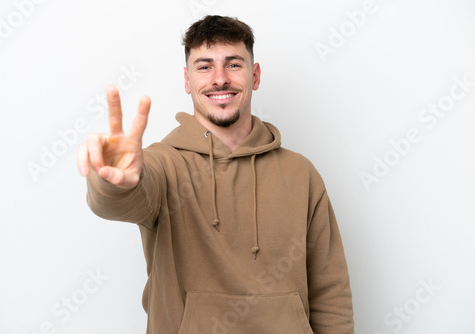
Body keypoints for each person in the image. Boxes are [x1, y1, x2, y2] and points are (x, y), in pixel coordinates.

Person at [77, 15, 354, 334]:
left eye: (233, 64)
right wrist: (112, 180)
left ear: (255, 75)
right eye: (204, 66)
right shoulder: (163, 165)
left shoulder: (301, 174)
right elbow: (121, 201)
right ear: (187, 80)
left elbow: (331, 293)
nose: (219, 79)